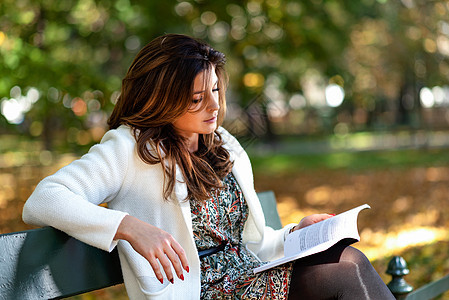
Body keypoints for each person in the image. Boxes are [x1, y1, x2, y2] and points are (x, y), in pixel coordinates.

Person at [23, 33, 394, 300]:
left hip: (251, 278)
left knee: (345, 261)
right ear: (162, 99)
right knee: (346, 268)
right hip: (197, 291)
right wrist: (128, 228)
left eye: (215, 91)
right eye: (197, 98)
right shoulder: (130, 147)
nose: (213, 106)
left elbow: (254, 243)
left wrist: (300, 232)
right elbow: (44, 199)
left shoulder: (223, 146)